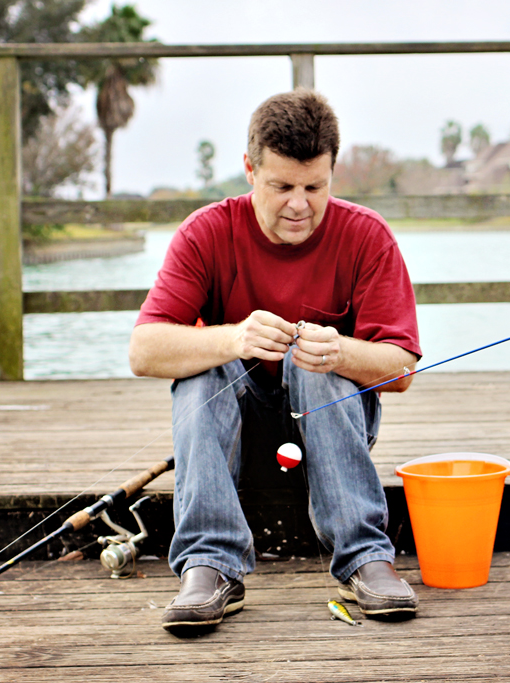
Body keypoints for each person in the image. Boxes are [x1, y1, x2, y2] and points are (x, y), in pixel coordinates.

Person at [129, 89, 423, 634]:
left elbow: (400, 366)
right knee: (203, 370)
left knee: (316, 362)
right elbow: (143, 351)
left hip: (332, 430)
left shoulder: (367, 235)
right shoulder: (205, 232)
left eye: (315, 187)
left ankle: (364, 556)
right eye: (281, 186)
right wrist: (232, 339)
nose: (299, 204)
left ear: (333, 172)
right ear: (249, 170)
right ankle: (209, 565)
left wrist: (341, 349)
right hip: (234, 436)